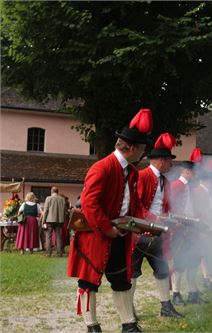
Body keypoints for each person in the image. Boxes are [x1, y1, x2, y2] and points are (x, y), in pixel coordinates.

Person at [67, 108, 152, 333]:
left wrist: (147, 225)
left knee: (121, 279)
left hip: (119, 234)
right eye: (143, 149)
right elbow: (89, 203)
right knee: (88, 282)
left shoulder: (132, 173)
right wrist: (107, 228)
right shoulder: (102, 168)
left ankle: (128, 324)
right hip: (95, 235)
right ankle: (92, 326)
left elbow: (133, 205)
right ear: (132, 149)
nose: (144, 153)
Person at [131, 133, 183, 319]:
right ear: (161, 161)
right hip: (139, 233)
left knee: (162, 270)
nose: (171, 165)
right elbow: (137, 205)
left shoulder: (165, 181)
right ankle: (129, 310)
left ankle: (165, 307)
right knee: (133, 273)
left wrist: (170, 219)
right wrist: (156, 218)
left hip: (157, 233)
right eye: (170, 161)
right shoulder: (142, 176)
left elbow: (165, 206)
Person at [169, 160, 205, 305]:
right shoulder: (176, 185)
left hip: (191, 229)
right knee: (179, 262)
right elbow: (171, 208)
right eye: (194, 172)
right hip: (180, 230)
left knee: (193, 261)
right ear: (187, 171)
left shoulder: (189, 187)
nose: (195, 175)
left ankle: (192, 293)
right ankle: (176, 294)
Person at [41, 187, 67, 257]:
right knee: (58, 237)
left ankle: (48, 253)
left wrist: (43, 221)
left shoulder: (48, 198)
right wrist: (63, 220)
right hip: (59, 221)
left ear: (51, 192)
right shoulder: (62, 199)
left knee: (48, 237)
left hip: (49, 220)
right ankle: (59, 253)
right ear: (57, 192)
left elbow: (46, 210)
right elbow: (65, 211)